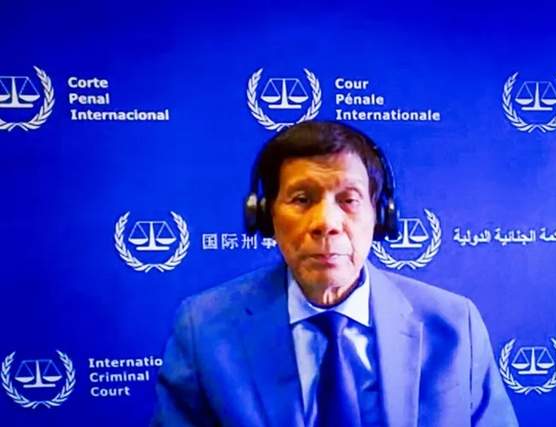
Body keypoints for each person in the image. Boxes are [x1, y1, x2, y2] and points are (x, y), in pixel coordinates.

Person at [152, 121, 518, 427]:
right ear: (266, 217)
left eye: (349, 200)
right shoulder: (205, 328)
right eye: (301, 199)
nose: (326, 222)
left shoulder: (455, 326)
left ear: (380, 215)